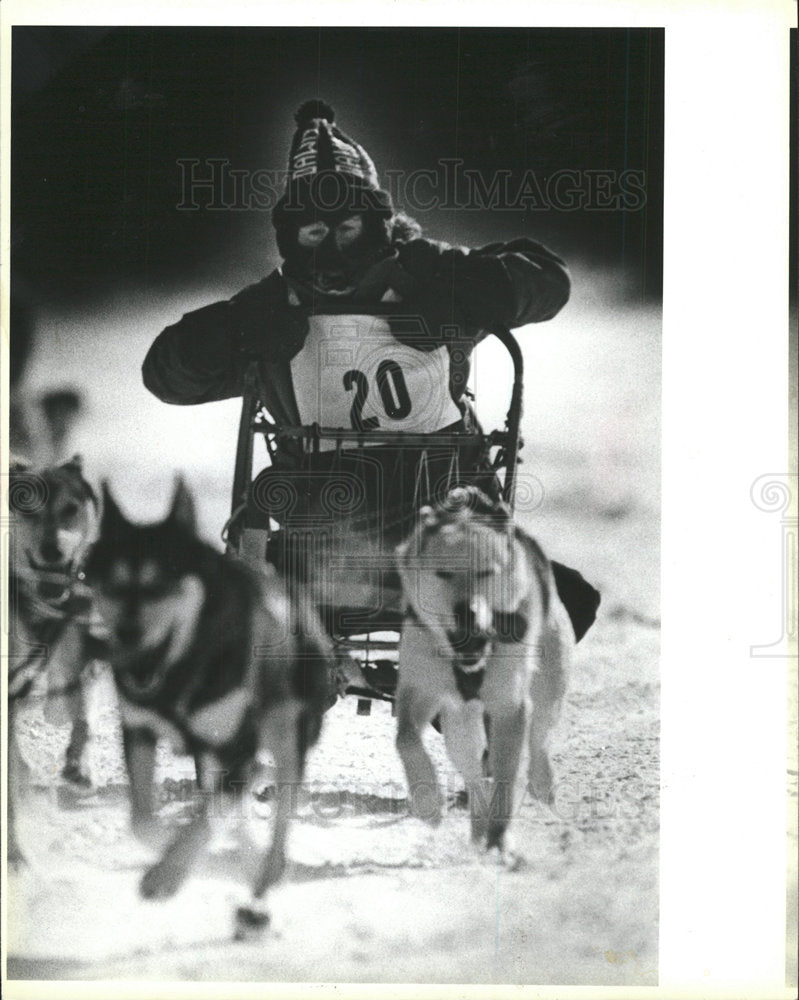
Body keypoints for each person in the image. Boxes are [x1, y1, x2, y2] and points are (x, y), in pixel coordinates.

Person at [142, 100, 599, 639]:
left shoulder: (429, 278)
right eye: (314, 233)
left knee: (569, 601)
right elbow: (164, 375)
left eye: (348, 228)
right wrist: (234, 331)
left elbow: (550, 281)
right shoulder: (272, 310)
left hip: (445, 523)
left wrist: (470, 284)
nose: (333, 250)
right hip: (326, 538)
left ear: (377, 225)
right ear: (290, 237)